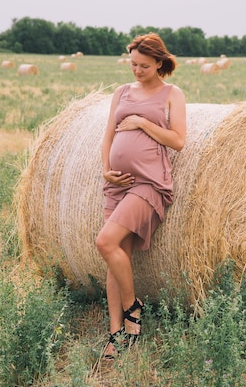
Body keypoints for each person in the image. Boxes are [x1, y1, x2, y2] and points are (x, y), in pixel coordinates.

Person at [95, 32, 186, 359]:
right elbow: (108, 136)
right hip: (116, 184)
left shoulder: (171, 94)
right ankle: (116, 333)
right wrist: (107, 169)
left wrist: (140, 123)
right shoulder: (121, 92)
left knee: (105, 242)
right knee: (116, 254)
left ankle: (133, 307)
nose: (136, 70)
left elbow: (177, 140)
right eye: (132, 63)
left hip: (147, 183)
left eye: (144, 65)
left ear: (159, 63)